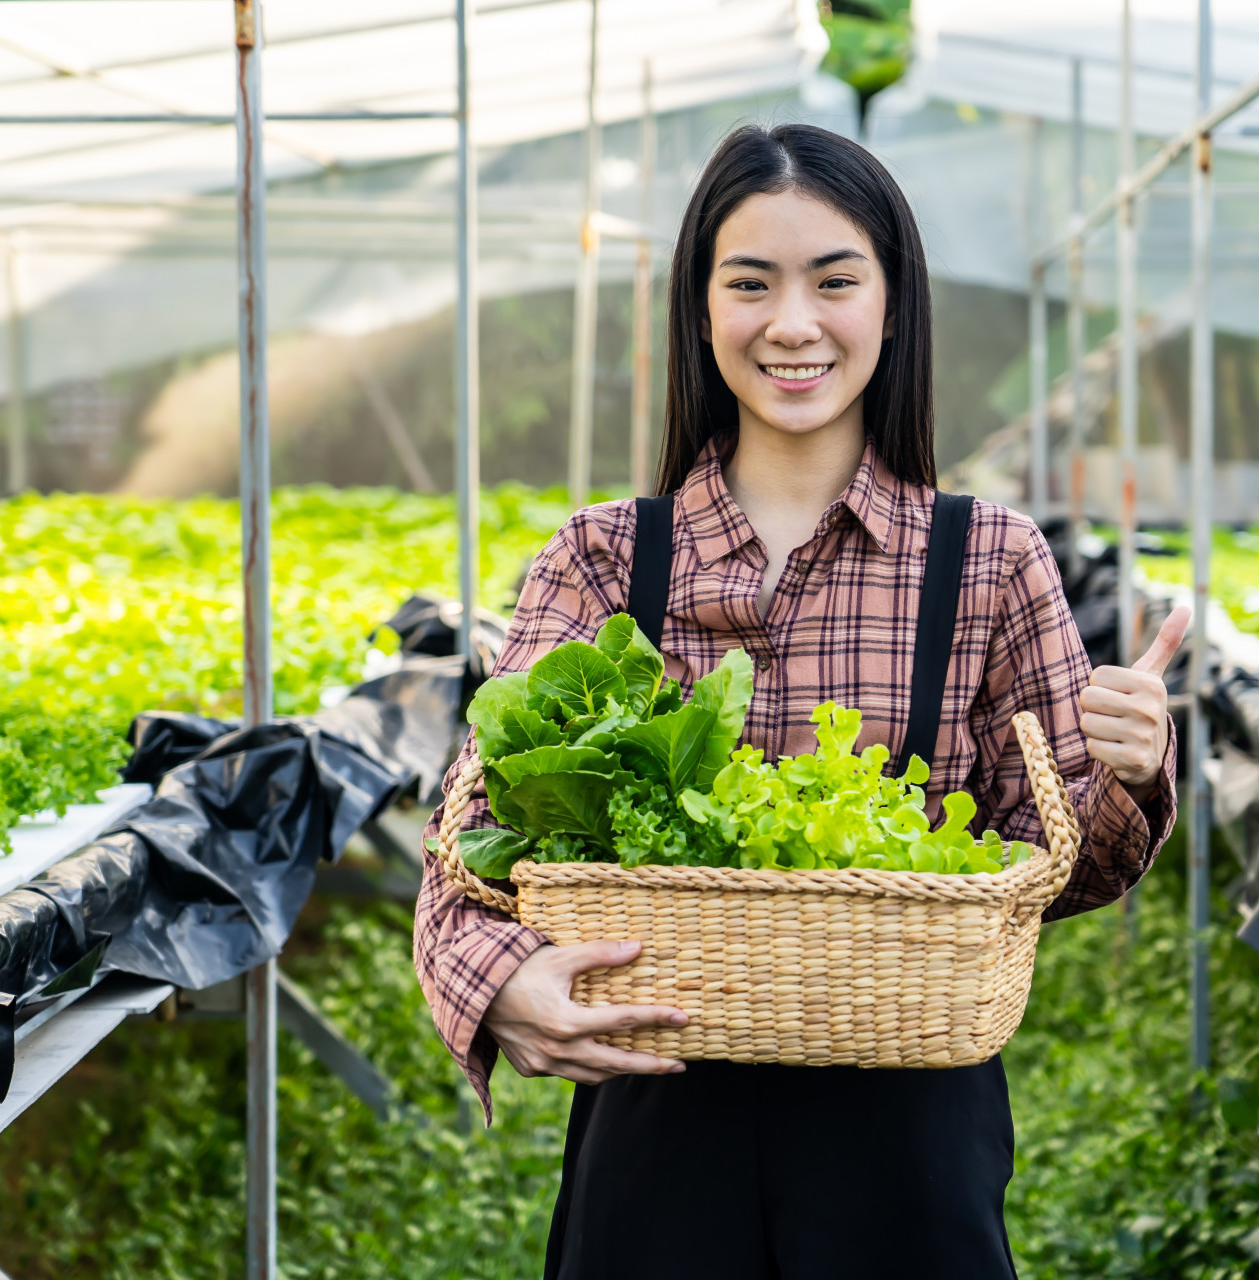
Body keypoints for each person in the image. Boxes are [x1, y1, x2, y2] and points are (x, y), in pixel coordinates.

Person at [415, 122, 1184, 1279]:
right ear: (701, 306)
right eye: (750, 283)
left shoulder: (987, 559)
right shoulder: (603, 558)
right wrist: (494, 981)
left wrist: (1121, 769)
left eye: (835, 280)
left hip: (911, 1120)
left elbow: (1050, 866)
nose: (792, 323)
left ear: (892, 302)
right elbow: (467, 839)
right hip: (659, 1103)